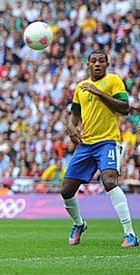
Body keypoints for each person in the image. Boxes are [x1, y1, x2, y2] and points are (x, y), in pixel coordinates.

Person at [62, 49, 138, 247]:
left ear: (107, 65)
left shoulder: (113, 81)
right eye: (93, 61)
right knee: (66, 190)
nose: (97, 64)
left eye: (101, 61)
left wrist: (98, 92)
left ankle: (130, 233)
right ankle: (79, 224)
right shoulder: (80, 87)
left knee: (109, 180)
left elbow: (125, 107)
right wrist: (71, 129)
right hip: (86, 144)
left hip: (107, 141)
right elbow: (73, 118)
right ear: (88, 64)